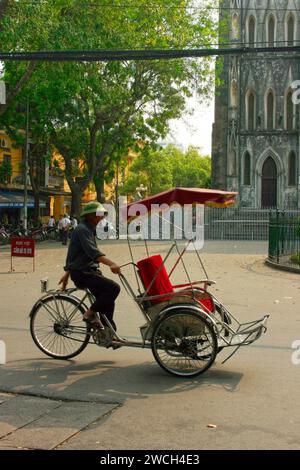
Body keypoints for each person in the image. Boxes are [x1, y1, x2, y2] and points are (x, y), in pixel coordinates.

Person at [58, 201, 121, 339]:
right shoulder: (82, 230)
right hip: (83, 273)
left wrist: (66, 274)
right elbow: (93, 253)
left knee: (107, 300)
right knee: (113, 288)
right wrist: (111, 264)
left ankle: (108, 332)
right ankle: (89, 313)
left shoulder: (88, 229)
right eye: (100, 215)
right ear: (91, 216)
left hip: (87, 271)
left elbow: (76, 254)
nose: (102, 218)